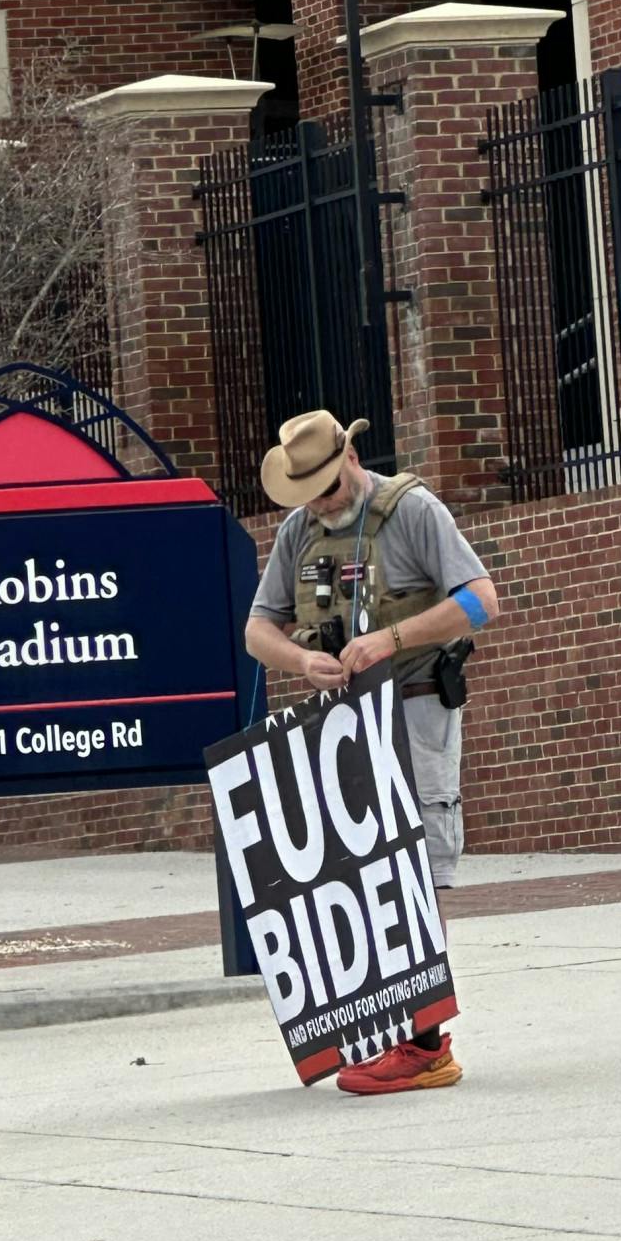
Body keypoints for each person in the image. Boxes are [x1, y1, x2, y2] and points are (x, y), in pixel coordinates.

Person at [245, 410, 501, 1096]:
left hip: (414, 708)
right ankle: (384, 1027)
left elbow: (481, 601)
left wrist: (390, 640)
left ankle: (425, 1043)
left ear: (350, 455)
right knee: (361, 877)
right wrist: (303, 659)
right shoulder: (300, 531)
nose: (320, 501)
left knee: (415, 871)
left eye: (327, 485)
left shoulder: (411, 510)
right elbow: (257, 629)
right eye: (308, 491)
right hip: (344, 722)